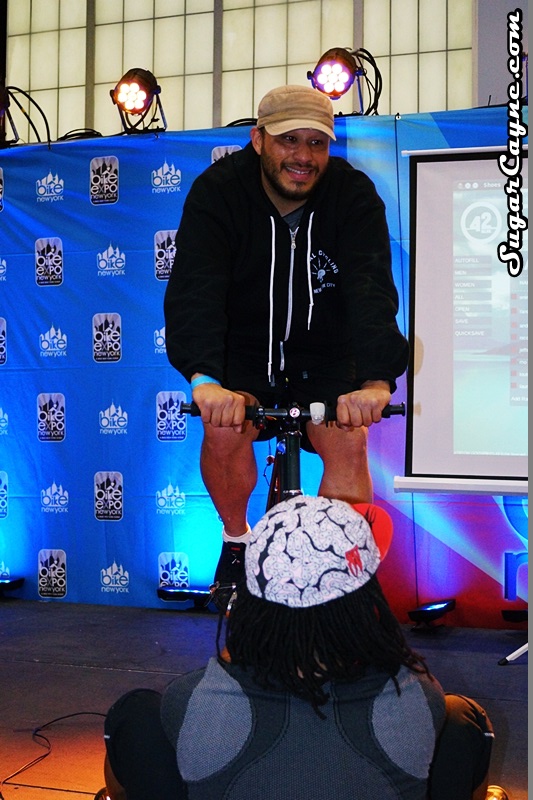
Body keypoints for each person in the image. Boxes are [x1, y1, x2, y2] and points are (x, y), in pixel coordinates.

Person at [163, 84, 410, 602]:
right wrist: (204, 378)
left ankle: (341, 571)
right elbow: (195, 289)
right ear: (258, 140)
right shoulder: (218, 192)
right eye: (288, 140)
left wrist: (375, 380)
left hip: (325, 356)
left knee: (348, 439)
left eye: (316, 143)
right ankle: (236, 539)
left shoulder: (352, 194)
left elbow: (370, 289)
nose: (303, 156)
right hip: (243, 355)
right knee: (224, 428)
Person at [97, 495, 509, 800]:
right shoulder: (418, 697)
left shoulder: (191, 700)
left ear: (251, 602)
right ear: (365, 604)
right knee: (463, 718)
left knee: (136, 714)